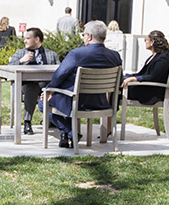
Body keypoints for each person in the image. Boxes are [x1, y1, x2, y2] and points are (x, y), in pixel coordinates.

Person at [44, 19, 122, 149]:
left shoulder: (76, 54)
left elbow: (59, 75)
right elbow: (119, 82)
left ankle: (70, 132)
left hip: (76, 101)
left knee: (43, 102)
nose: (84, 37)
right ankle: (69, 133)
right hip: (100, 102)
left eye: (84, 34)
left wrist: (48, 90)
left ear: (89, 37)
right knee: (59, 98)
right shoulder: (115, 56)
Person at [7, 27, 60, 135]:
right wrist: (21, 61)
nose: (24, 41)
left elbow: (59, 72)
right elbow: (9, 68)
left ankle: (57, 120)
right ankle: (27, 122)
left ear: (37, 40)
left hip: (46, 87)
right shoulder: (20, 53)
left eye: (28, 38)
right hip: (25, 86)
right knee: (32, 88)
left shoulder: (51, 54)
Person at [122, 30, 169, 105]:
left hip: (151, 93)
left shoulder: (163, 58)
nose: (145, 42)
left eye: (146, 40)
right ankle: (109, 114)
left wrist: (134, 78)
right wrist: (127, 76)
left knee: (115, 90)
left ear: (152, 41)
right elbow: (141, 73)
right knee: (117, 84)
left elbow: (154, 76)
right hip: (145, 88)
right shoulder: (154, 56)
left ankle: (108, 114)